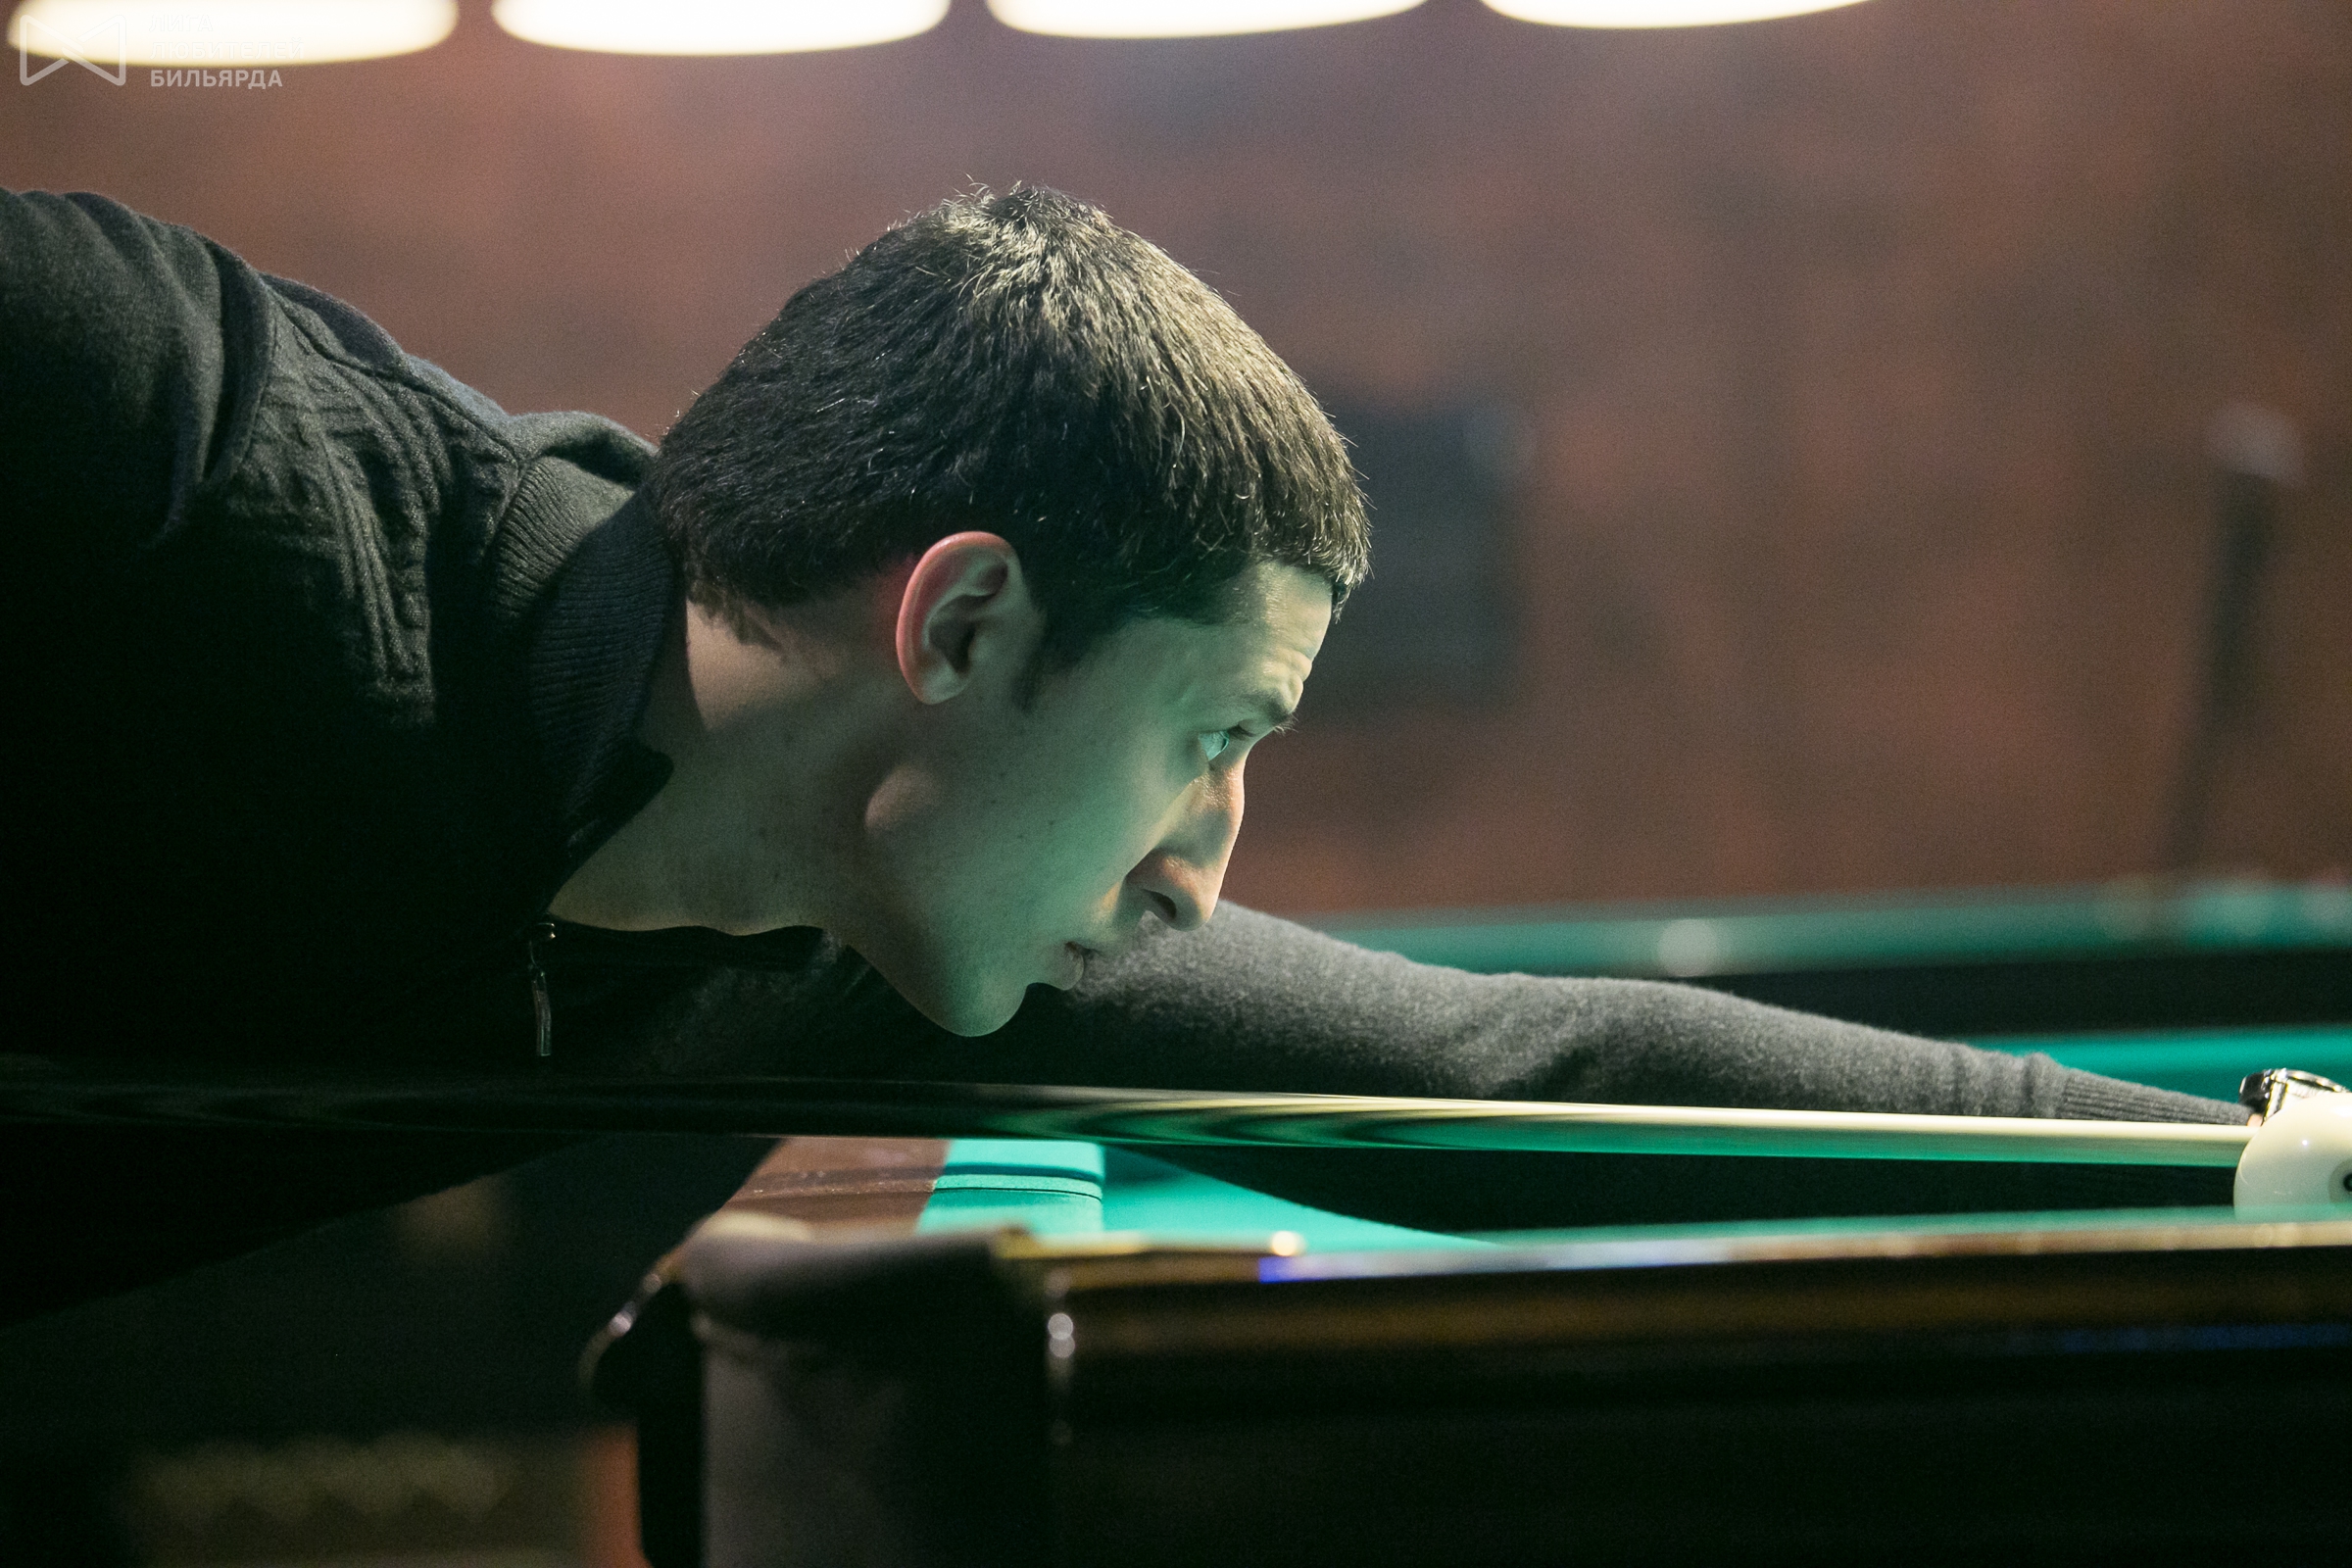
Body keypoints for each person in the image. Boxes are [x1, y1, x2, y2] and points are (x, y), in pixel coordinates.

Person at [0, 184, 2248, 1320]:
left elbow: (1521, 1066)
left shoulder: (868, 926)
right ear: (964, 624)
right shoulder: (164, 415)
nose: (1202, 859)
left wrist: (2271, 1172)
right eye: (1212, 737)